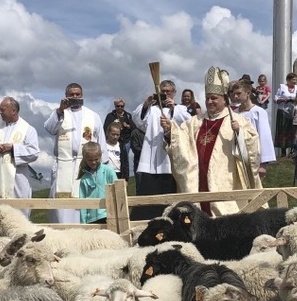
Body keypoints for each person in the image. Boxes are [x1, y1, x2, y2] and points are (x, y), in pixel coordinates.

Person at [166, 66, 262, 216]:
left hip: (225, 183)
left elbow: (252, 150)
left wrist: (240, 134)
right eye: (207, 98)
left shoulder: (238, 121)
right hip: (197, 179)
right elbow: (179, 140)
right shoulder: (194, 122)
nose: (209, 101)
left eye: (214, 98)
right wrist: (169, 130)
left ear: (224, 100)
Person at [44, 82, 107, 223]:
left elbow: (101, 141)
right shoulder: (60, 113)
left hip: (85, 164)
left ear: (82, 95)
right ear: (66, 96)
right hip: (64, 164)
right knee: (62, 205)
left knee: (83, 197)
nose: (75, 96)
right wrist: (60, 110)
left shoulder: (93, 116)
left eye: (77, 94)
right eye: (71, 94)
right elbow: (49, 128)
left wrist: (101, 166)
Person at [131, 79, 190, 220]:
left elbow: (188, 122)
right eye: (162, 92)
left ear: (174, 93)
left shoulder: (180, 109)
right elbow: (138, 120)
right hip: (151, 158)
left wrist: (172, 109)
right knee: (148, 196)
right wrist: (146, 104)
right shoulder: (152, 110)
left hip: (170, 160)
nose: (165, 94)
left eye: (168, 91)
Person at [0, 96, 40, 216]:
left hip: (17, 178)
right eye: (0, 110)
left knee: (18, 214)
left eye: (3, 110)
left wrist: (13, 148)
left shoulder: (28, 129)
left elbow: (34, 152)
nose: (0, 113)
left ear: (13, 111)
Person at [230, 79, 276, 178]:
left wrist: (263, 164)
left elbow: (264, 137)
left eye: (238, 93)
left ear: (248, 93)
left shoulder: (258, 112)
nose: (235, 96)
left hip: (253, 157)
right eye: (234, 94)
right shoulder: (234, 113)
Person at [78, 141, 117, 224]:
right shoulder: (84, 179)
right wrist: (83, 222)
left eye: (96, 159)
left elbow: (116, 191)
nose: (93, 162)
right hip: (91, 219)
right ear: (85, 159)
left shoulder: (108, 171)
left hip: (108, 216)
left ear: (101, 156)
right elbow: (82, 201)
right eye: (90, 160)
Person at [274, 72, 297, 157]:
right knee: (283, 130)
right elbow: (276, 98)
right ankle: (283, 151)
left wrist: (295, 100)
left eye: (295, 80)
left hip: (293, 111)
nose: (295, 81)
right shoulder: (282, 87)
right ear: (288, 80)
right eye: (293, 80)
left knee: (293, 129)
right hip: (283, 111)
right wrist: (282, 99)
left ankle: (292, 150)